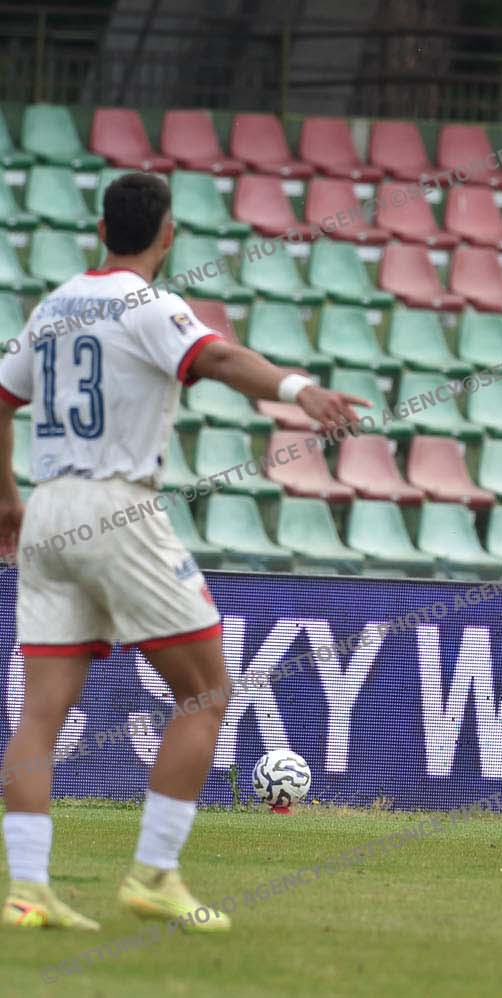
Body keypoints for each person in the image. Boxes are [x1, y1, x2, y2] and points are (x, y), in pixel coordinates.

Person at [0, 173, 364, 932]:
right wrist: (300, 390)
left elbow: (2, 398)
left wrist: (6, 500)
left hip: (49, 508)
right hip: (117, 506)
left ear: (102, 229)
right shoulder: (150, 305)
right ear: (167, 236)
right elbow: (219, 360)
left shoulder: (53, 306)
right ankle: (154, 874)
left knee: (40, 713)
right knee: (205, 692)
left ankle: (27, 890)